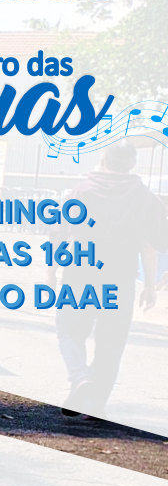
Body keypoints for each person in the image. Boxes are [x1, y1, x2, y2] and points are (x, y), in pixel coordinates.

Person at [55, 143, 168, 418]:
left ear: (103, 159)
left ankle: (80, 377)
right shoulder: (144, 197)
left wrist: (51, 271)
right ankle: (95, 404)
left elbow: (60, 232)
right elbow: (157, 241)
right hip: (120, 279)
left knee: (69, 330)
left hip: (80, 274)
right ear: (132, 163)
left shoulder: (81, 190)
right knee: (111, 343)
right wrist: (151, 285)